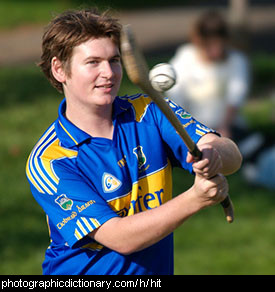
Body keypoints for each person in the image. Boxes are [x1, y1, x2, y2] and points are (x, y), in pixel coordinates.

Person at [25, 9, 242, 275]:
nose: (109, 73)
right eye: (93, 62)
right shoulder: (51, 160)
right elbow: (120, 238)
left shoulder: (151, 112)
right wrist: (195, 199)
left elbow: (231, 154)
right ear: (59, 69)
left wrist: (213, 153)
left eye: (114, 60)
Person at [168, 11, 250, 139]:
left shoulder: (237, 60)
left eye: (219, 44)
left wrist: (224, 127)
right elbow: (175, 96)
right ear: (198, 41)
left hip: (229, 129)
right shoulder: (185, 57)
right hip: (192, 130)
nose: (215, 50)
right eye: (209, 44)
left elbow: (235, 97)